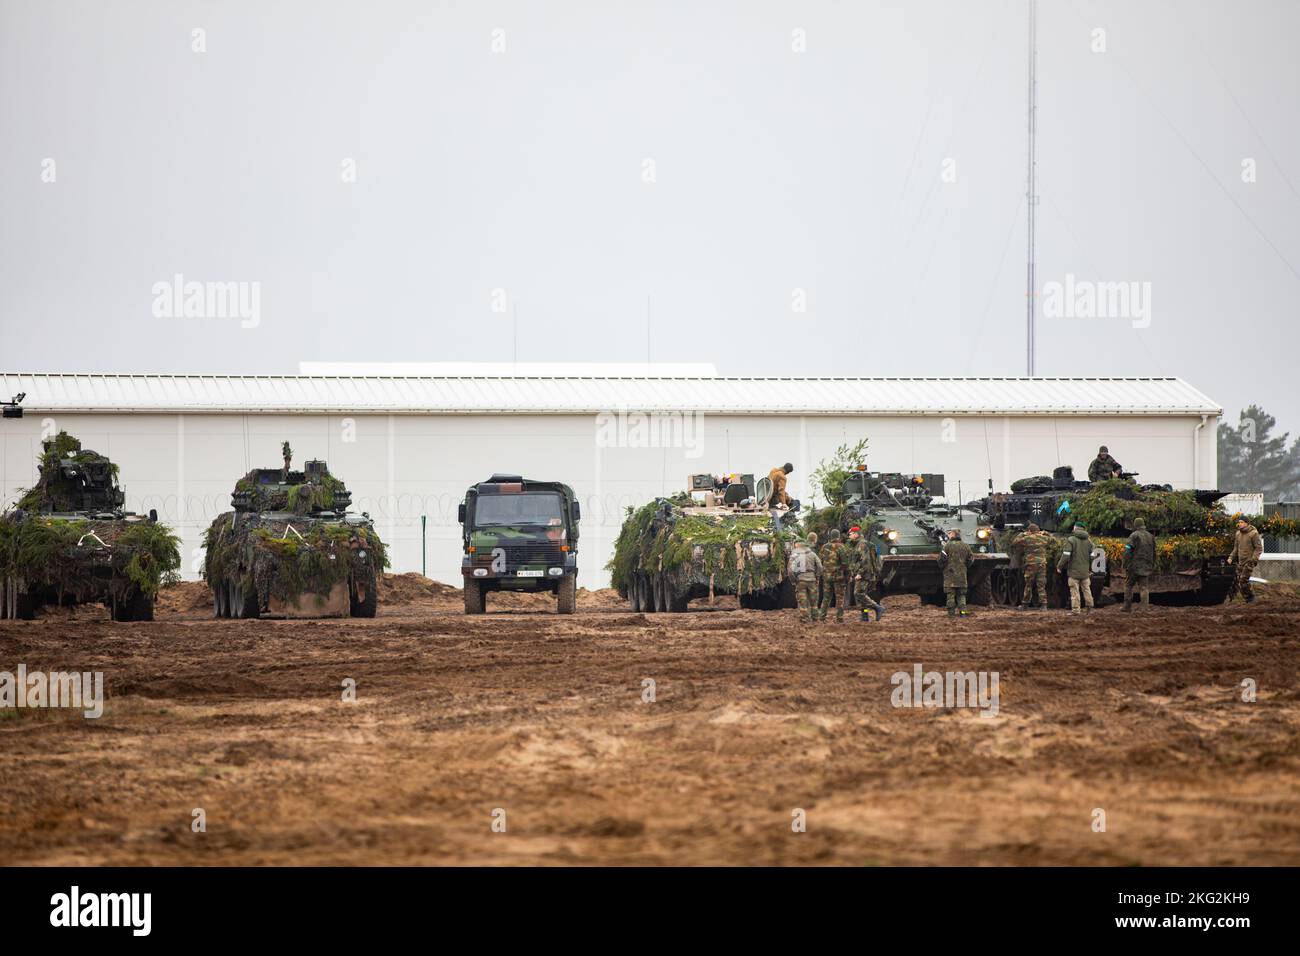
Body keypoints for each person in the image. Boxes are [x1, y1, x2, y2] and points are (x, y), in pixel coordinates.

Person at [848, 525, 885, 620]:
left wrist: (860, 573)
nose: (849, 536)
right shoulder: (858, 544)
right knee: (861, 596)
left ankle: (877, 608)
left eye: (850, 534)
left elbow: (865, 561)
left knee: (858, 593)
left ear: (856, 534)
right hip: (862, 573)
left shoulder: (862, 544)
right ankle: (865, 616)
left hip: (865, 574)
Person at [1057, 522, 1095, 613]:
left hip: (1074, 572)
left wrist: (1059, 566)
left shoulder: (1071, 540)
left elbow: (1066, 555)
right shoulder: (1089, 541)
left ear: (1075, 528)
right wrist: (1090, 569)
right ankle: (1090, 608)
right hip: (1085, 572)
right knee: (1086, 589)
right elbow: (1092, 556)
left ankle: (1076, 610)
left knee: (1074, 591)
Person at [937, 529, 973, 617]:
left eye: (949, 533)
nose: (948, 535)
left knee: (950, 596)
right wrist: (964, 567)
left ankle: (951, 614)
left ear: (953, 534)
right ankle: (963, 614)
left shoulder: (947, 546)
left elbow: (941, 559)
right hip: (962, 575)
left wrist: (942, 568)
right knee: (961, 595)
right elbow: (970, 559)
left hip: (950, 575)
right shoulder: (966, 546)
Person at [1123, 517, 1156, 612]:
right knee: (1144, 587)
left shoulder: (1134, 536)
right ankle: (1144, 608)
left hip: (1134, 566)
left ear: (1135, 525)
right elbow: (1154, 552)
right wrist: (1152, 564)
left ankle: (1127, 607)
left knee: (1128, 585)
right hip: (1146, 566)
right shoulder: (1151, 536)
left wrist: (1125, 563)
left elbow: (1128, 550)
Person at [1227, 517, 1264, 603]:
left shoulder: (1253, 534)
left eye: (1242, 522)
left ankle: (1251, 598)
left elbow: (1258, 548)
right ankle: (1249, 599)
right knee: (1240, 582)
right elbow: (1235, 548)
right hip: (1240, 562)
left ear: (1247, 523)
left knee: (1243, 580)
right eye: (1239, 522)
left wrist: (1253, 559)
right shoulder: (1238, 534)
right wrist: (1231, 558)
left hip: (1249, 562)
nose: (1240, 524)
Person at [818, 529, 851, 623]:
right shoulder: (841, 547)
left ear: (830, 536)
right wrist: (847, 575)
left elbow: (820, 560)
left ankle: (822, 618)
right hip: (838, 577)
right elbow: (845, 563)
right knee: (840, 598)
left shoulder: (824, 547)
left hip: (826, 577)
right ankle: (839, 619)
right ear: (838, 536)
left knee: (826, 598)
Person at [787, 537, 823, 624]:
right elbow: (820, 567)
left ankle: (805, 619)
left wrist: (794, 581)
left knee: (802, 601)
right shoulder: (813, 554)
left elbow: (790, 570)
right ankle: (815, 618)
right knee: (814, 601)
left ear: (798, 545)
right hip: (812, 580)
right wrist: (817, 577)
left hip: (801, 580)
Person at [1016, 522, 1051, 609]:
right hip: (1041, 564)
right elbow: (1053, 539)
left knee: (1028, 585)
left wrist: (1022, 534)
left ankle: (1025, 604)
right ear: (1038, 530)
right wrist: (1045, 533)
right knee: (1041, 585)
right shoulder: (1044, 538)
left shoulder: (1027, 538)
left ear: (1029, 531)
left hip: (1031, 564)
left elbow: (1015, 542)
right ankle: (1043, 605)